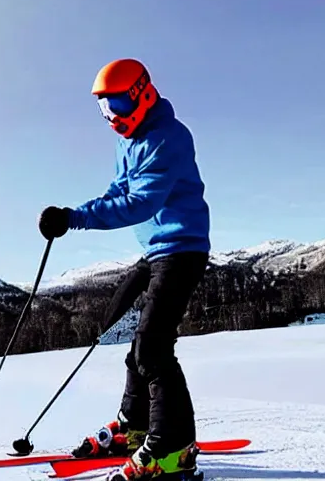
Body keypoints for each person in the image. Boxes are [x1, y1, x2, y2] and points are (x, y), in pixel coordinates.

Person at [38, 58, 210, 481]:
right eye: (102, 108)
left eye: (115, 103)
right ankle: (134, 427)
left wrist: (76, 218)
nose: (110, 116)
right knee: (124, 330)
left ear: (141, 94)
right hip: (154, 252)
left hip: (182, 249)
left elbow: (141, 203)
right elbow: (118, 190)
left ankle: (175, 449)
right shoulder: (127, 143)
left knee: (154, 349)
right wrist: (69, 214)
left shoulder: (169, 137)